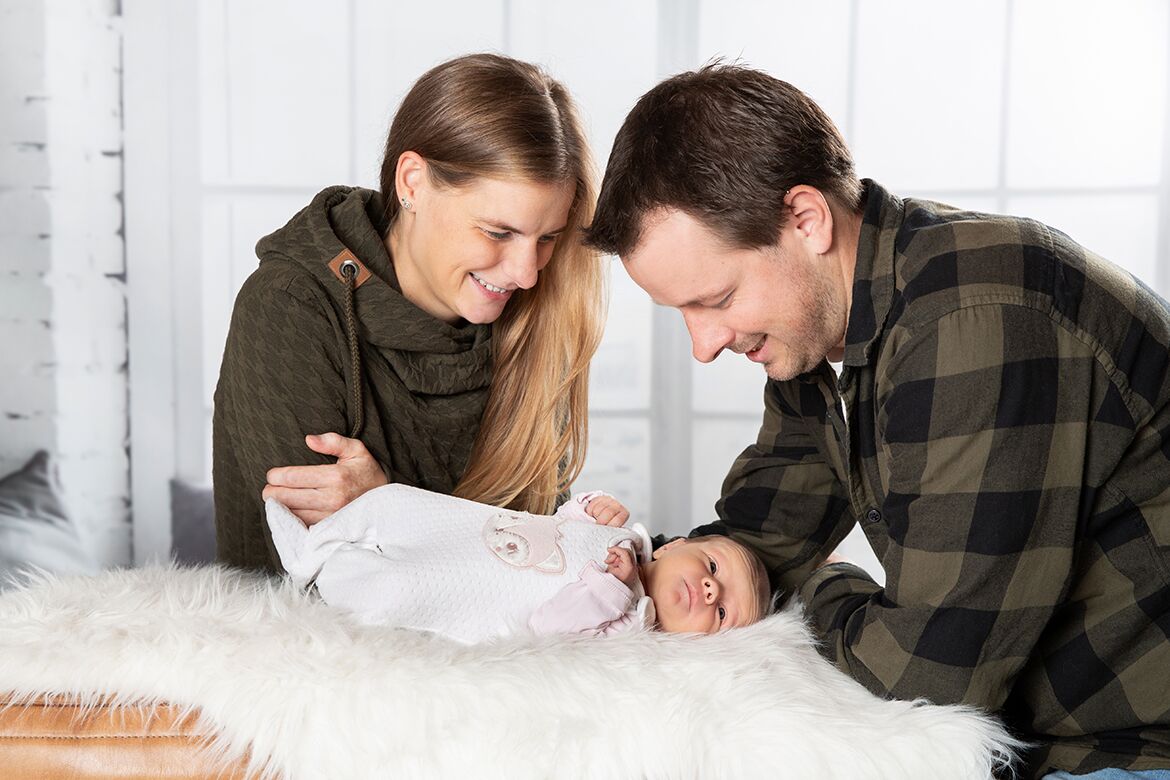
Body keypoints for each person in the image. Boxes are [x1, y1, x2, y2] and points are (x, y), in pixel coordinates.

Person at [583, 63, 1170, 779]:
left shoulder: (972, 326)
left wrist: (824, 581)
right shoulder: (827, 333)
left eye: (717, 298)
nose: (703, 345)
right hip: (1049, 740)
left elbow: (928, 677)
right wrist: (638, 575)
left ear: (806, 220)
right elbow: (760, 539)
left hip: (1132, 750)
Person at [213, 53, 605, 573]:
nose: (527, 272)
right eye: (497, 232)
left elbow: (550, 569)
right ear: (412, 182)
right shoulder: (289, 308)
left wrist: (387, 509)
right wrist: (452, 529)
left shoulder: (536, 317)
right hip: (314, 649)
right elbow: (333, 577)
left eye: (547, 238)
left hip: (511, 655)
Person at [265, 483, 772, 644]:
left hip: (476, 593)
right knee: (394, 500)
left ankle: (322, 571)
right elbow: (553, 529)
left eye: (722, 613)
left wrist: (615, 590)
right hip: (476, 533)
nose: (709, 591)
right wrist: (585, 509)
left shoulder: (631, 628)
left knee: (396, 590)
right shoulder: (625, 538)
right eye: (712, 567)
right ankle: (316, 545)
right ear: (673, 545)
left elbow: (551, 627)